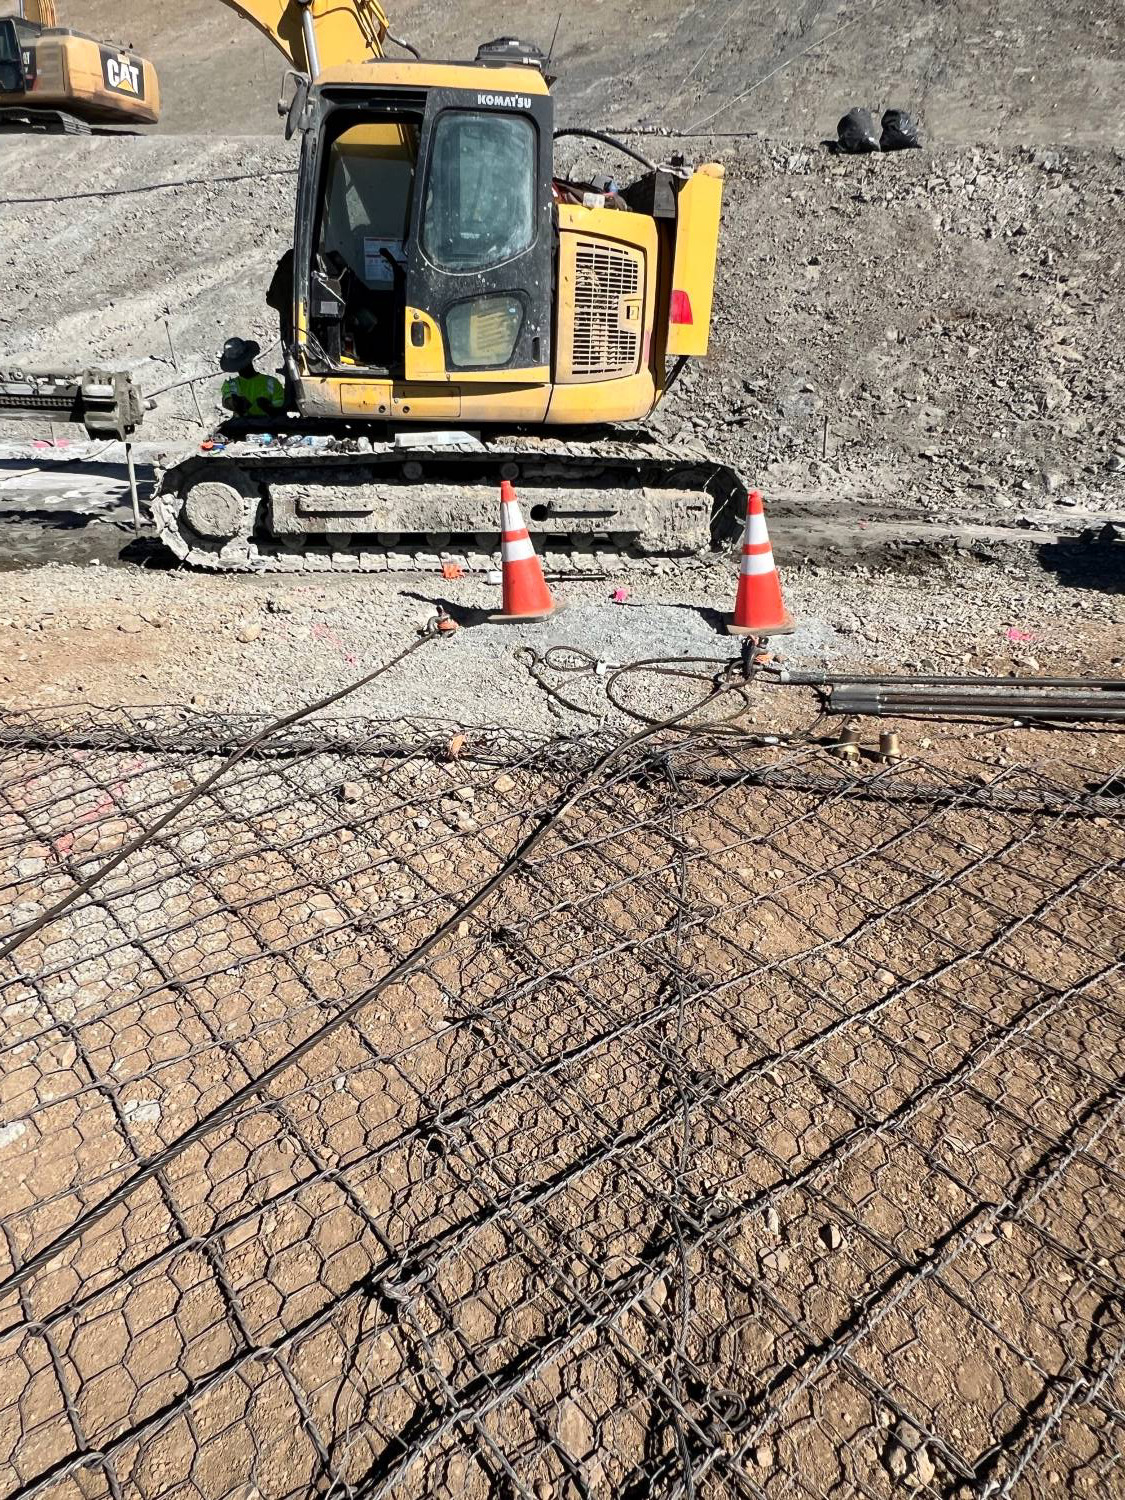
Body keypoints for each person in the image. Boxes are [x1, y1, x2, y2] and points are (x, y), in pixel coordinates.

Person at [219, 338, 285, 420]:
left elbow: (280, 412)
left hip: (268, 426)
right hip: (243, 425)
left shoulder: (272, 383)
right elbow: (228, 401)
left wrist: (268, 408)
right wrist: (235, 403)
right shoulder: (272, 382)